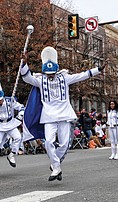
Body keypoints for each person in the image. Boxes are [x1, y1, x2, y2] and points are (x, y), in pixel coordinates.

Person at [21, 46, 107, 181]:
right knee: (48, 141)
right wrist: (24, 64)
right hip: (48, 116)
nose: (50, 75)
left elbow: (81, 76)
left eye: (52, 73)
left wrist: (98, 70)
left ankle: (56, 164)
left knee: (64, 143)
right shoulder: (40, 80)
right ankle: (56, 167)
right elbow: (27, 78)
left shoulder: (64, 78)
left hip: (64, 115)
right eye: (48, 73)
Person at [0, 83, 25, 167]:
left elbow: (21, 107)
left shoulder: (9, 100)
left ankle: (12, 154)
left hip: (10, 124)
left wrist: (20, 115)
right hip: (0, 126)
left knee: (18, 137)